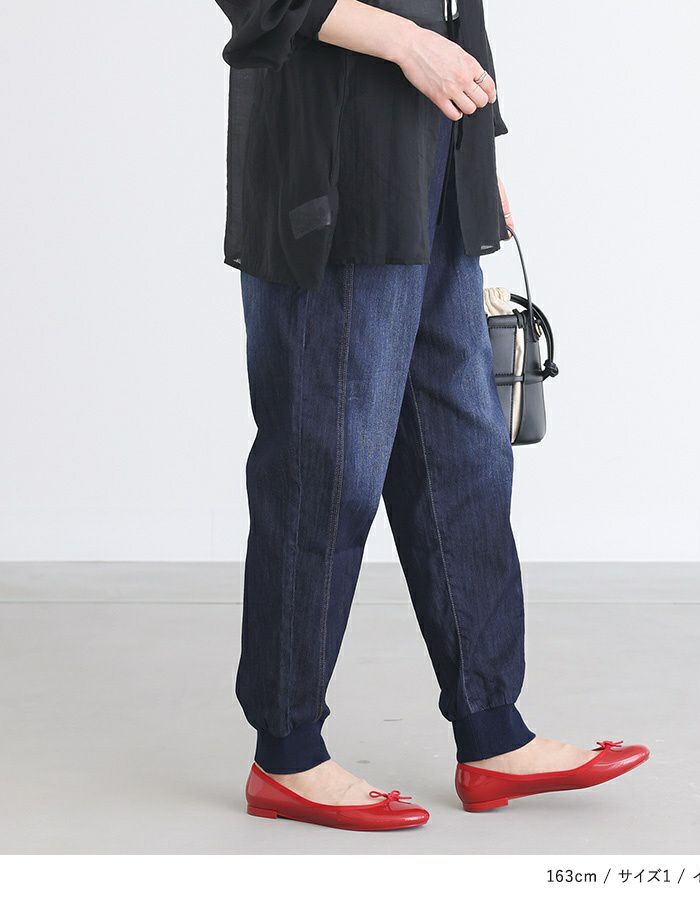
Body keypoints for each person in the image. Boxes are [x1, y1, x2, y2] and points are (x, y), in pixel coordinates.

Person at [214, 0, 649, 831]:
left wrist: (476, 156)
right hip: (337, 178)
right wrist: (408, 45)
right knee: (327, 470)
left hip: (437, 177)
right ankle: (287, 753)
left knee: (466, 461)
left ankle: (493, 734)